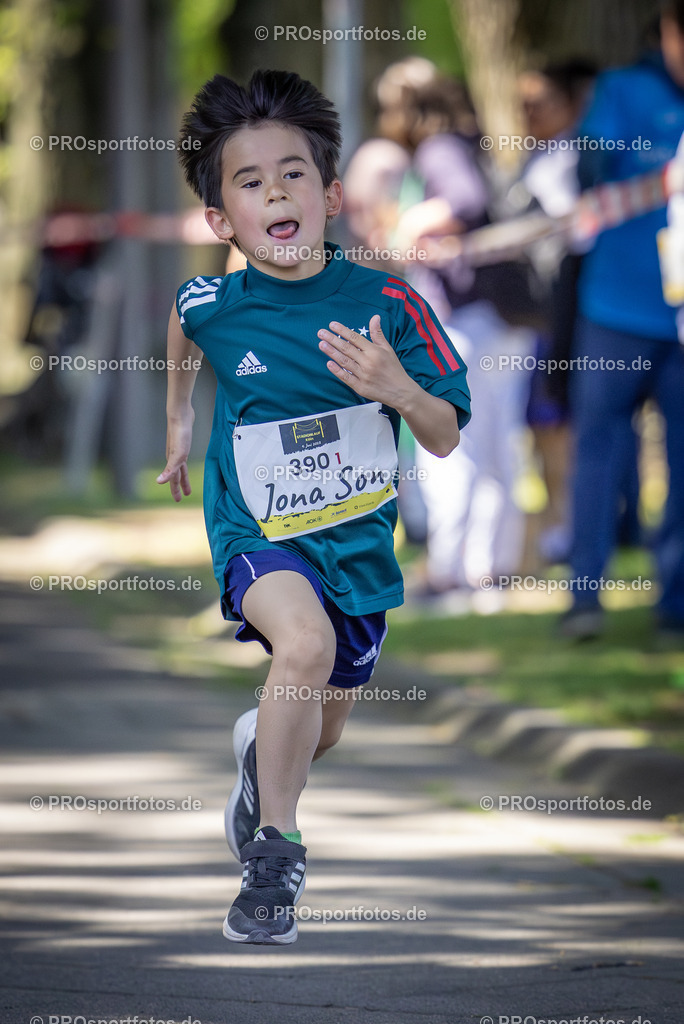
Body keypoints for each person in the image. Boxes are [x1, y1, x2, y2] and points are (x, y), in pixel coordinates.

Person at [156, 69, 471, 945]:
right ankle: (275, 857)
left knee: (317, 724)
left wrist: (396, 386)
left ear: (331, 195)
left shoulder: (389, 305)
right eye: (249, 183)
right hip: (255, 530)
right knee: (303, 642)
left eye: (293, 174)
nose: (276, 193)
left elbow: (444, 436)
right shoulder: (216, 302)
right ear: (223, 222)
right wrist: (180, 420)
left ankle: (265, 754)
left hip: (357, 549)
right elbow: (184, 320)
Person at [561, 0, 684, 640]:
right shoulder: (624, 90)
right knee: (599, 453)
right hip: (617, 310)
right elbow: (586, 174)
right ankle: (585, 597)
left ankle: (675, 608)